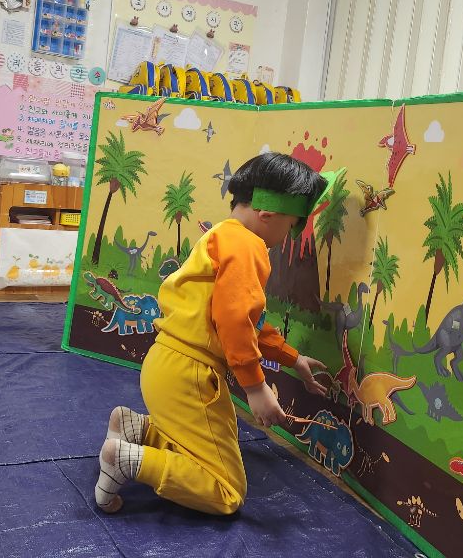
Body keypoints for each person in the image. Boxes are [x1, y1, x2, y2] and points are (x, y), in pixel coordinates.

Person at [94, 152, 336, 515]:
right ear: (267, 213)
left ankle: (137, 429)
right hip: (191, 374)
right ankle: (126, 459)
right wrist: (256, 388)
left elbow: (247, 320)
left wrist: (293, 357)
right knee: (226, 491)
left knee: (204, 452)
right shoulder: (248, 246)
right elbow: (235, 318)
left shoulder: (223, 236)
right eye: (291, 227)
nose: (287, 237)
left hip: (166, 362)